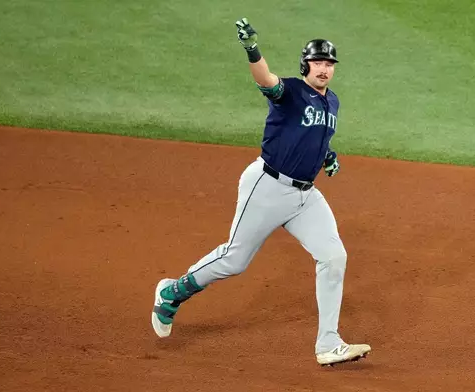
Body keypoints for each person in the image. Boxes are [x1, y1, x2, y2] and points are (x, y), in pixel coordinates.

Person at [151, 17, 371, 366]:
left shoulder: (333, 103)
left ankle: (328, 343)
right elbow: (265, 81)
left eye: (329, 64)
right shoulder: (291, 92)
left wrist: (327, 156)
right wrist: (253, 50)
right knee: (235, 260)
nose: (324, 69)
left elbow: (315, 135)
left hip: (305, 196)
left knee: (334, 257)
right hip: (267, 185)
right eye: (318, 62)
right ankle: (173, 292)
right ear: (305, 65)